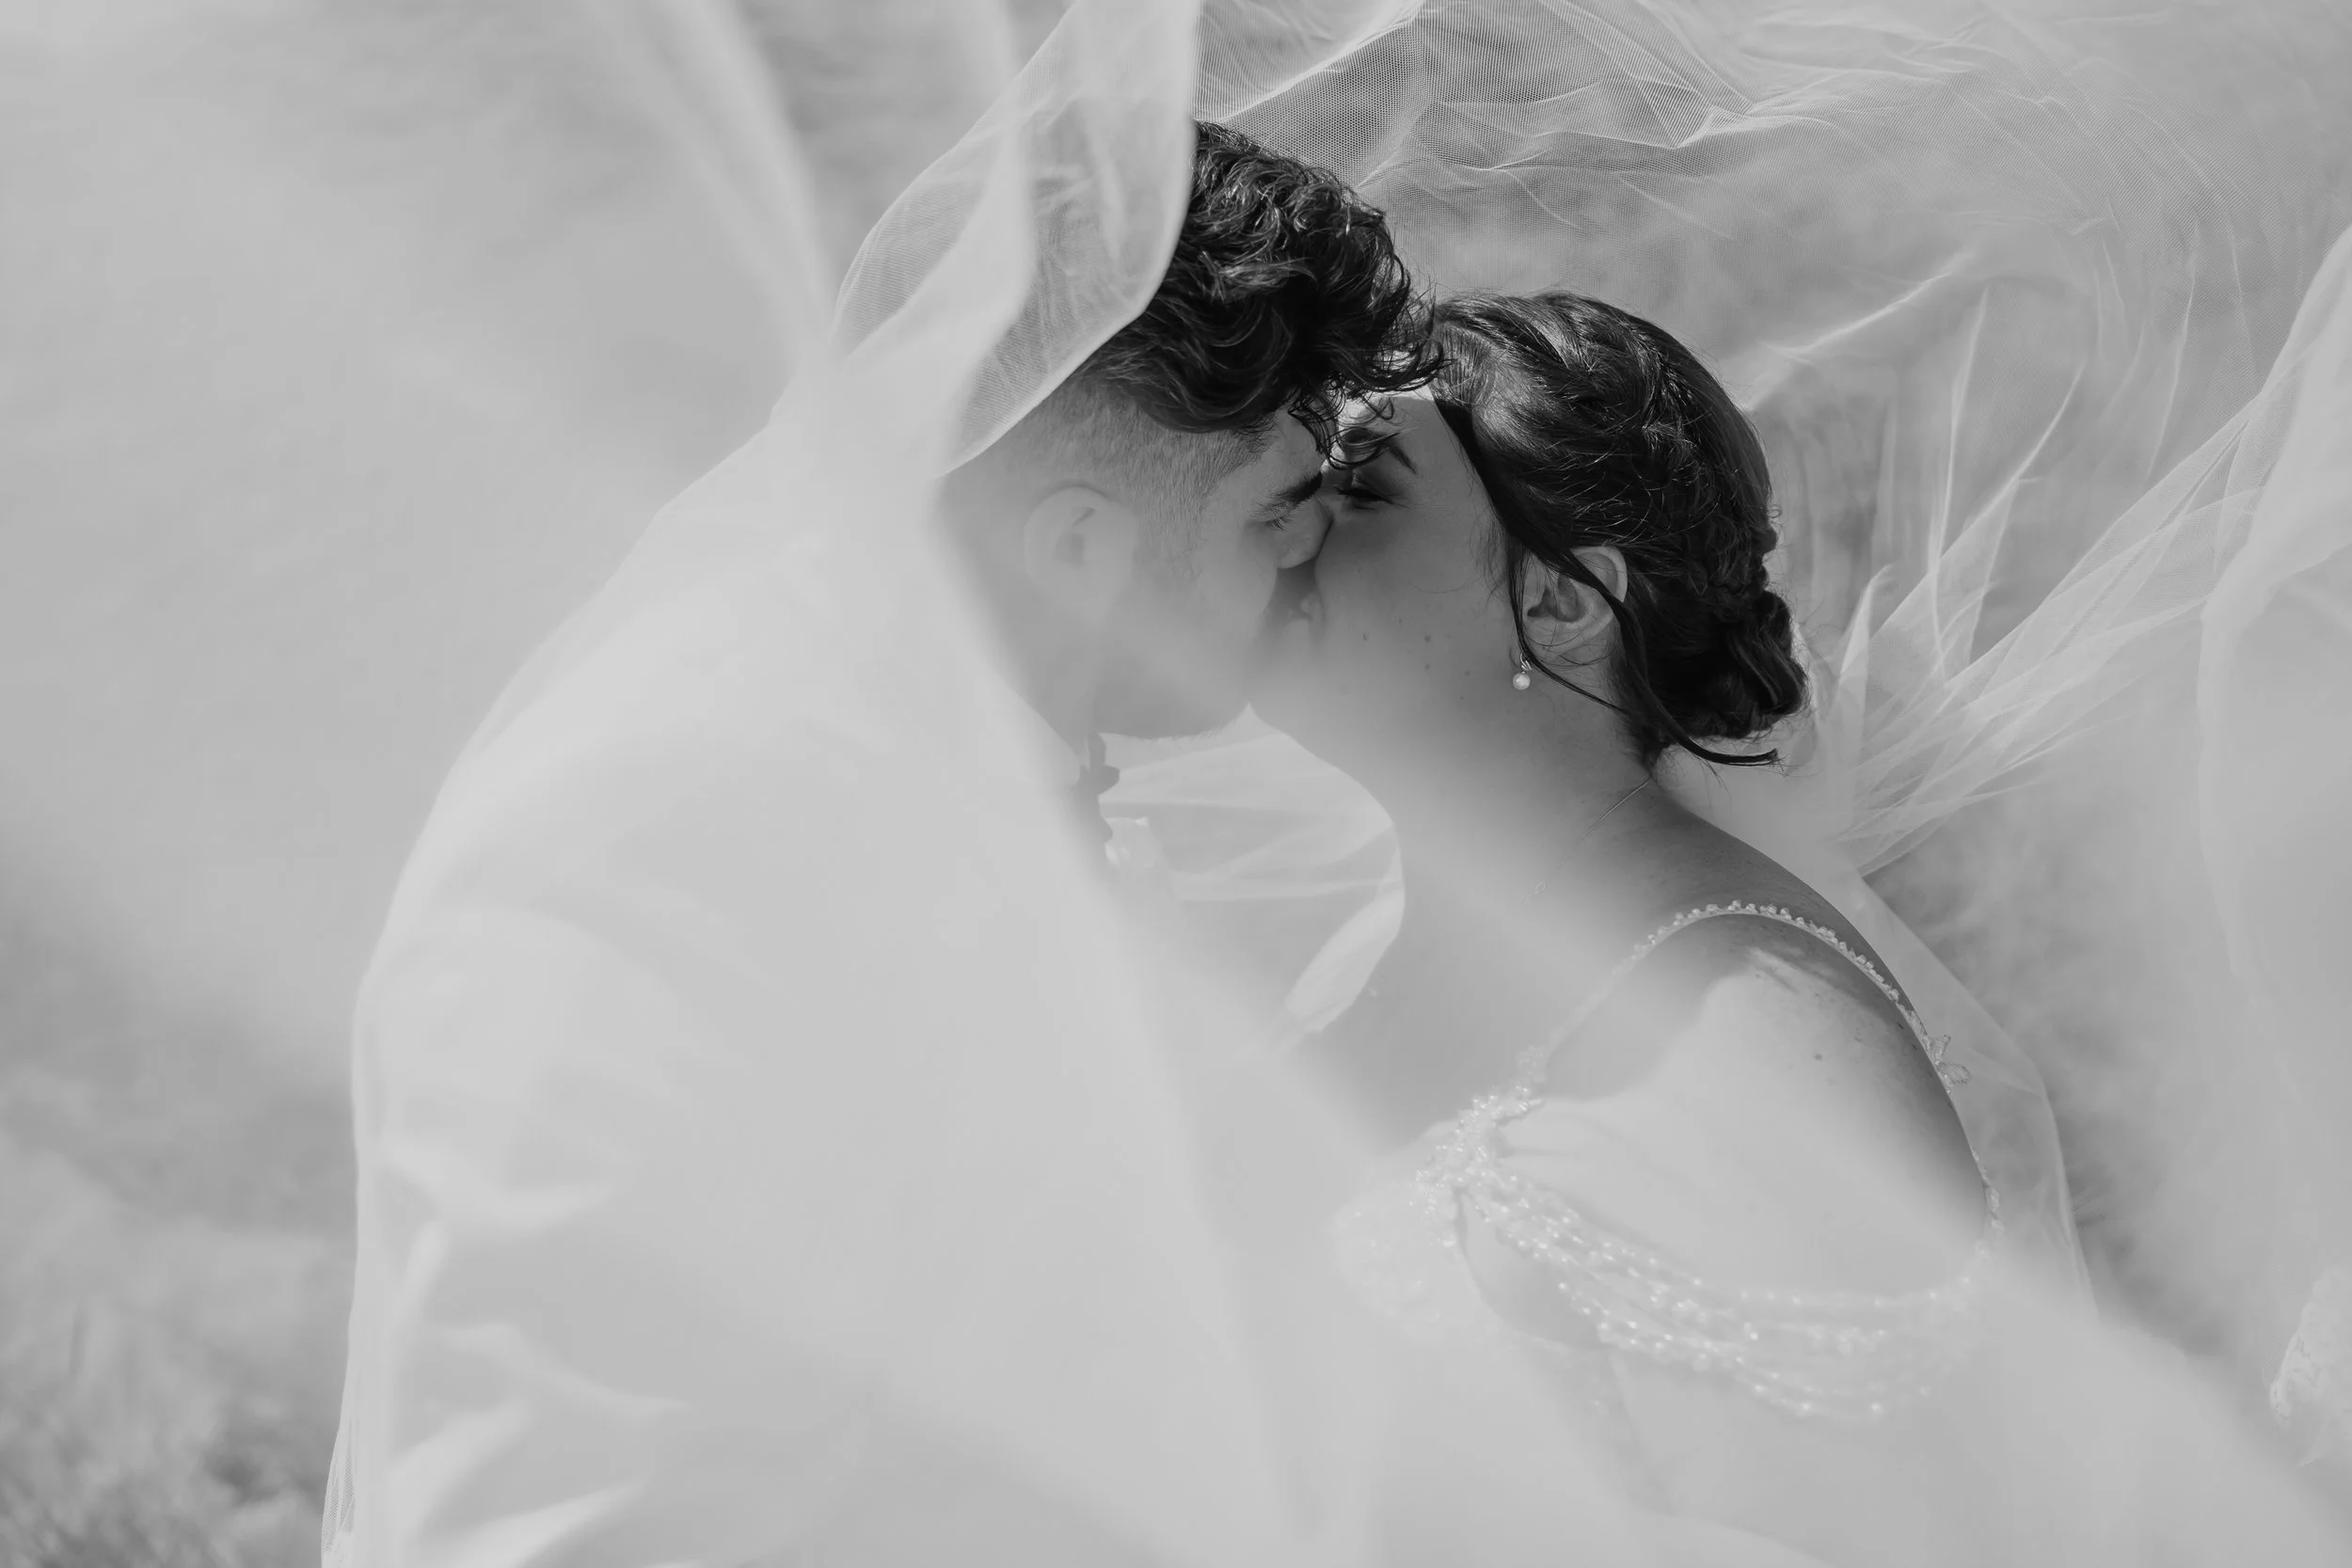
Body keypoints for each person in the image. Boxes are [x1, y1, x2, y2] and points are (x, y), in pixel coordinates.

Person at [1252, 291, 2026, 1560]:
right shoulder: (1374, 952)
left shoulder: (1757, 1037)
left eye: (1362, 491)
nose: (1290, 534)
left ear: (1562, 601)